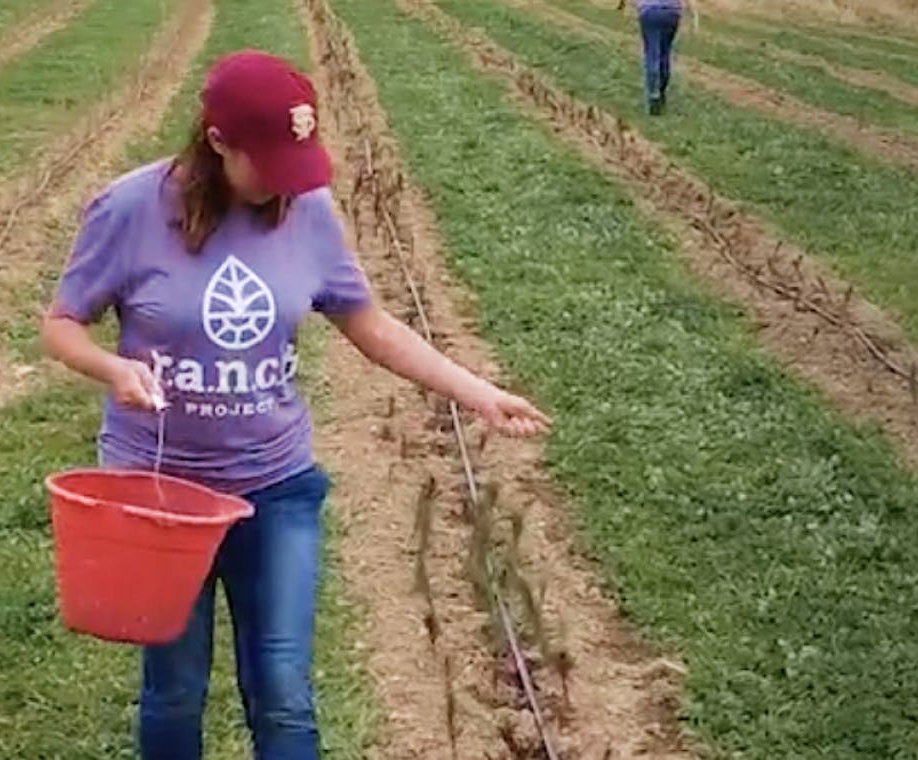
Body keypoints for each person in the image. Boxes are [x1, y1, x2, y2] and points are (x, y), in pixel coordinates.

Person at [41, 49, 551, 760]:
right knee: (176, 688)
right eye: (270, 164)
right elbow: (61, 323)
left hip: (275, 487)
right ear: (217, 142)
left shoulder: (307, 211)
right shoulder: (129, 208)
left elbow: (368, 324)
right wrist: (111, 367)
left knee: (283, 690)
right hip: (158, 497)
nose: (288, 184)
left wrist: (477, 392)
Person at [619, 0, 699, 114]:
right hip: (671, 12)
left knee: (652, 54)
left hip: (649, 11)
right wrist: (694, 16)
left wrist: (622, 5)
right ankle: (661, 93)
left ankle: (653, 96)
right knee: (665, 54)